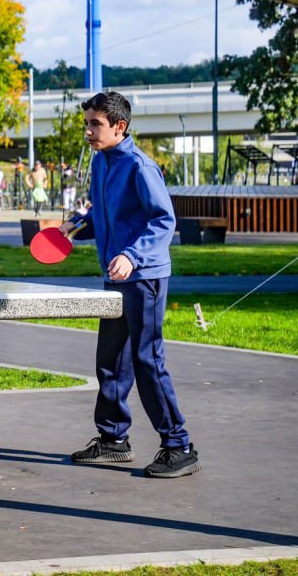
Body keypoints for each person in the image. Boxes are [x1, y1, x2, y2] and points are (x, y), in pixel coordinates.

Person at [61, 91, 200, 479]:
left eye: (95, 124)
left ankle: (179, 446)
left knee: (146, 361)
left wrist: (132, 255)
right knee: (111, 360)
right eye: (86, 123)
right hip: (116, 275)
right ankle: (113, 440)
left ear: (119, 126)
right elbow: (107, 214)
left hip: (145, 277)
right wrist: (78, 226)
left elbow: (162, 221)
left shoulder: (141, 167)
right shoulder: (101, 163)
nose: (88, 131)